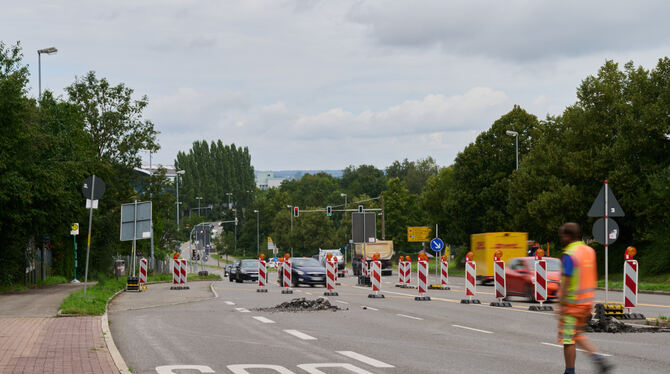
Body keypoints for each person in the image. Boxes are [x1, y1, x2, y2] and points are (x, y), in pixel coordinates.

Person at [558, 223, 613, 374]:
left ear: (568, 236)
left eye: (562, 235)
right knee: (577, 334)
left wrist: (560, 304)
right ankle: (598, 358)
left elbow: (567, 280)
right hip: (587, 303)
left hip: (571, 304)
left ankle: (571, 371)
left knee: (568, 339)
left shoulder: (570, 254)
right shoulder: (589, 251)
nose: (561, 238)